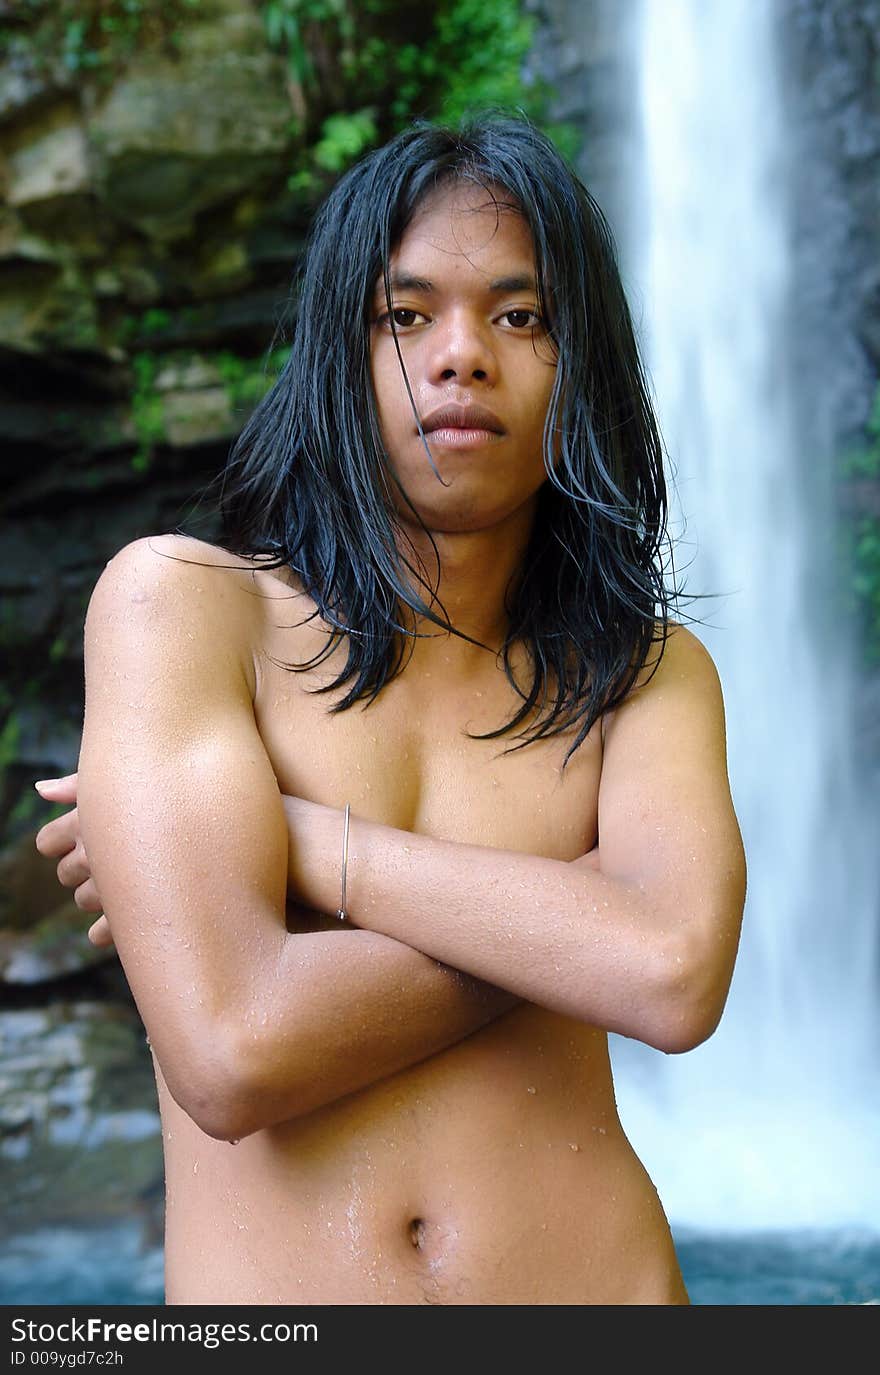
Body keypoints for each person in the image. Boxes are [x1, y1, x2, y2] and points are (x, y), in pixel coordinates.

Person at [34, 114, 747, 1306]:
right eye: (403, 315)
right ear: (337, 354)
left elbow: (672, 979)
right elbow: (235, 1048)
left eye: (521, 316)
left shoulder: (645, 671)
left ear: (587, 369)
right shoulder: (186, 609)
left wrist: (312, 849)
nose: (461, 355)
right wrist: (580, 926)